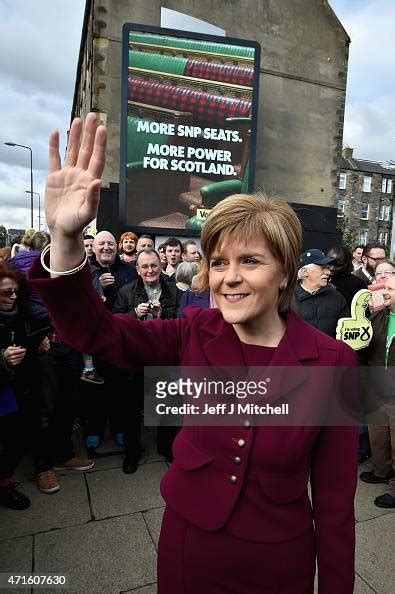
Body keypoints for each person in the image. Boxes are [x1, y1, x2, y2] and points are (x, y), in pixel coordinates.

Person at [29, 113, 358, 593]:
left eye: (250, 261)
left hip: (278, 564)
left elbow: (334, 508)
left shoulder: (333, 363)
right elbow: (94, 333)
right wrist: (64, 239)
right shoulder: (192, 331)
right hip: (190, 551)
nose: (228, 276)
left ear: (285, 272)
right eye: (219, 261)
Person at [113, 248, 182, 472]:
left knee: (168, 407)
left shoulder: (174, 290)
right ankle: (132, 451)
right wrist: (135, 314)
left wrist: (161, 317)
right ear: (137, 269)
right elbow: (116, 323)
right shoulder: (126, 291)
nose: (150, 270)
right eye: (145, 266)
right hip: (136, 358)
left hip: (164, 358)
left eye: (154, 266)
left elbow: (181, 324)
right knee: (130, 408)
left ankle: (167, 446)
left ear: (160, 266)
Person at [0, 262, 48, 509]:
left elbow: (28, 341)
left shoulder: (22, 314)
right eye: (6, 292)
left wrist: (38, 344)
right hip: (4, 391)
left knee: (17, 440)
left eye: (15, 291)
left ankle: (5, 481)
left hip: (22, 388)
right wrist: (2, 358)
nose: (13, 297)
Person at [359, 259, 395, 508]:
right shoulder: (379, 316)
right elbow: (363, 344)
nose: (385, 291)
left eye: (391, 289)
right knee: (378, 434)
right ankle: (381, 472)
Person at [293, 249, 349, 338]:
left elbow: (346, 332)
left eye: (328, 268)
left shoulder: (337, 297)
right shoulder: (287, 298)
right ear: (305, 272)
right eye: (323, 268)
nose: (328, 272)